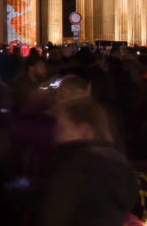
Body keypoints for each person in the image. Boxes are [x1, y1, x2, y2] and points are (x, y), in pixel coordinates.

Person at [38, 97, 137, 226]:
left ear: (85, 130)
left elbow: (54, 217)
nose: (56, 136)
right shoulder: (119, 163)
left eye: (62, 129)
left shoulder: (75, 166)